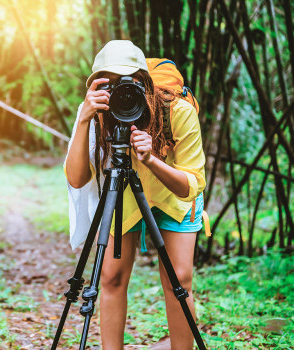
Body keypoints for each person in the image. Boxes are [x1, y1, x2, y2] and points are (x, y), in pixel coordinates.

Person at [64, 40, 206, 350]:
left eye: (129, 82)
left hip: (173, 197)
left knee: (178, 280)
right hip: (124, 192)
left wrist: (151, 159)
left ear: (145, 81)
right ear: (98, 83)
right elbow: (76, 179)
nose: (121, 91)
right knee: (111, 277)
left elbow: (191, 185)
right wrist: (84, 117)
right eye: (110, 82)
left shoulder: (177, 110)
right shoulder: (96, 109)